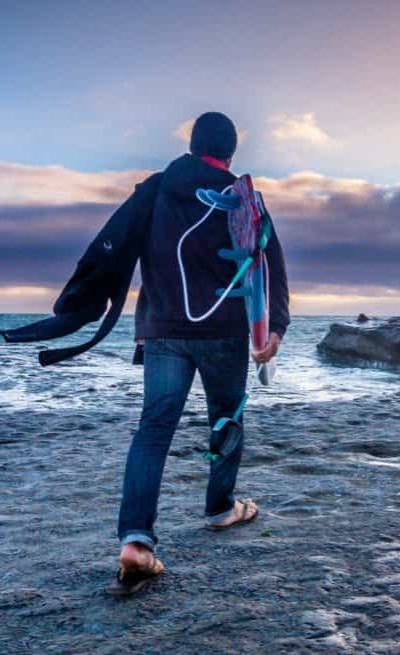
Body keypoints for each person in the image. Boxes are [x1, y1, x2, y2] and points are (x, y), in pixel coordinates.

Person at [110, 112, 290, 593]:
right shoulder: (242, 197)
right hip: (225, 331)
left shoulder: (153, 190)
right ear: (230, 152)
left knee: (153, 428)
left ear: (192, 145)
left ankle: (136, 543)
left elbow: (120, 248)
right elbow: (271, 262)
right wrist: (276, 327)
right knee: (225, 419)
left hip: (163, 328)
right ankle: (219, 509)